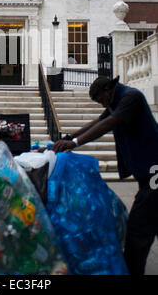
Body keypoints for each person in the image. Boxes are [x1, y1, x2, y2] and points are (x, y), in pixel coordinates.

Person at [52, 75, 158, 275]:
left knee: (137, 230)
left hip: (155, 173)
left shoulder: (131, 98)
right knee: (150, 219)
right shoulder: (116, 101)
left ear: (109, 90)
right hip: (149, 174)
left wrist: (75, 143)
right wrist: (68, 138)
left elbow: (109, 123)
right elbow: (96, 122)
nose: (101, 104)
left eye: (101, 99)